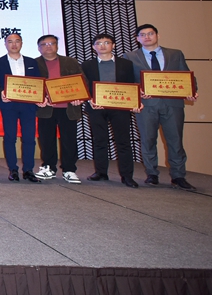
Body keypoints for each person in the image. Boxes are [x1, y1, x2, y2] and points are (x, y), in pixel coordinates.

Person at [123, 24, 199, 191]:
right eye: (143, 35)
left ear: (158, 35)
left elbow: (186, 75)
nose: (147, 37)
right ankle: (152, 174)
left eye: (150, 33)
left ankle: (178, 176)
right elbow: (127, 81)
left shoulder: (175, 54)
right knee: (148, 140)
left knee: (175, 140)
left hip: (173, 104)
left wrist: (192, 91)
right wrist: (138, 92)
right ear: (137, 38)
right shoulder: (129, 56)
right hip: (146, 105)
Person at [81, 33, 139, 188]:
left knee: (123, 141)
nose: (102, 46)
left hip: (120, 108)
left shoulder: (126, 64)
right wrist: (90, 100)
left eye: (106, 43)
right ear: (93, 47)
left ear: (113, 45)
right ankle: (101, 172)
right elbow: (84, 86)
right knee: (99, 140)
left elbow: (132, 85)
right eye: (99, 43)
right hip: (96, 108)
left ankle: (127, 176)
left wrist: (134, 102)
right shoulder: (87, 65)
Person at [33, 35, 87, 184]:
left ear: (57, 46)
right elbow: (31, 85)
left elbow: (82, 81)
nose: (48, 46)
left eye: (52, 43)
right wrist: (38, 99)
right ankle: (49, 167)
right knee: (46, 140)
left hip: (68, 108)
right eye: (44, 44)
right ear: (39, 48)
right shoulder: (34, 63)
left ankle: (69, 170)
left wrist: (80, 97)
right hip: (46, 108)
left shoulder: (71, 62)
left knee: (69, 140)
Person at [0, 33, 44, 183]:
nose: (14, 44)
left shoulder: (32, 62)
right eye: (10, 41)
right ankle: (13, 170)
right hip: (9, 105)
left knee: (29, 138)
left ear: (22, 43)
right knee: (10, 137)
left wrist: (40, 97)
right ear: (5, 44)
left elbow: (39, 82)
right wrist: (1, 92)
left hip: (28, 105)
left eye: (17, 41)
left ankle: (28, 170)